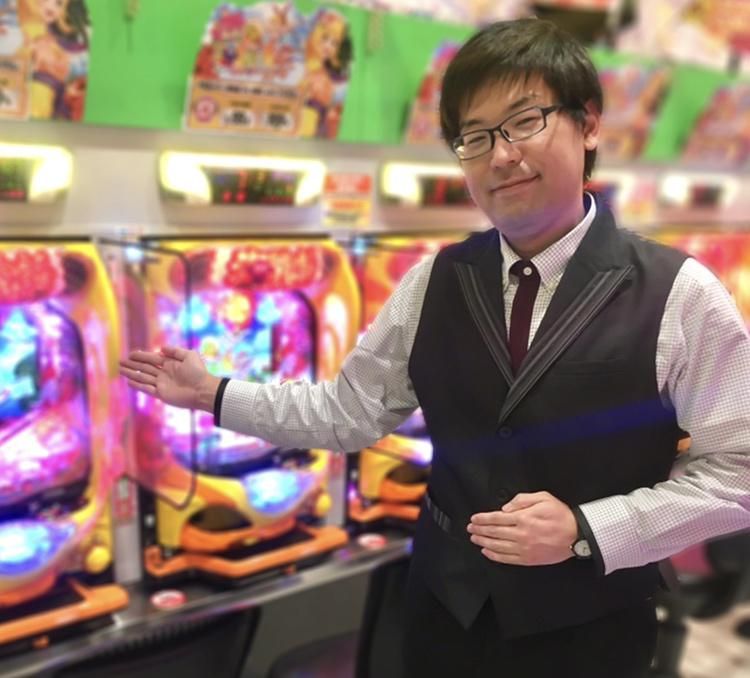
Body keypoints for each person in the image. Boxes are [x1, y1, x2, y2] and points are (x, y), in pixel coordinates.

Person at [120, 18, 750, 678]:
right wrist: (212, 393)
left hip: (592, 630)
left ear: (588, 123)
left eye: (524, 122)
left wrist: (590, 530)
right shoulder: (433, 282)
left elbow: (735, 473)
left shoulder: (679, 293)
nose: (500, 155)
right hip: (444, 613)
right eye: (474, 137)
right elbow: (348, 412)